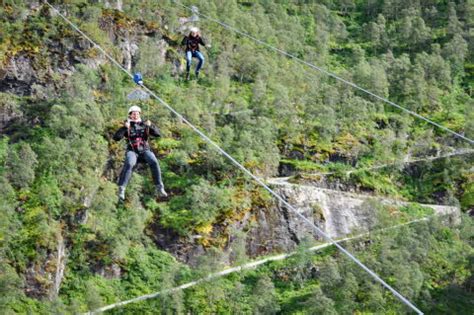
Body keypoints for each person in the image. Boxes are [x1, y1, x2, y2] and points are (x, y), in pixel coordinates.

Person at [113, 105, 167, 200]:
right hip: (132, 150)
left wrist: (151, 126)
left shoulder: (144, 124)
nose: (135, 115)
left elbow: (157, 134)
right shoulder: (128, 126)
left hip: (145, 149)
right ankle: (122, 188)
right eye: (133, 114)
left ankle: (159, 187)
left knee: (154, 161)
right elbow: (116, 138)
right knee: (129, 163)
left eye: (137, 114)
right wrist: (125, 128)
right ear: (130, 115)